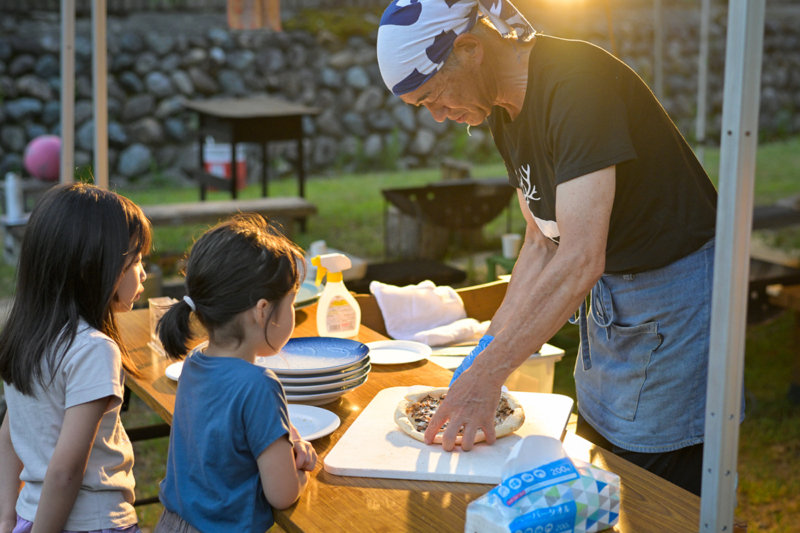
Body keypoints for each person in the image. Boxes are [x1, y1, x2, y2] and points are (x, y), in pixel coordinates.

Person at [376, 0, 732, 496]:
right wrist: (480, 359)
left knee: (654, 483)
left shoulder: (575, 85)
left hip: (675, 300)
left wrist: (489, 375)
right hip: (612, 302)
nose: (438, 116)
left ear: (470, 48)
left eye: (433, 96)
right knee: (602, 454)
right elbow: (541, 242)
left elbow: (581, 255)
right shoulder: (503, 110)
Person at [0, 183, 152, 533]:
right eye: (136, 260)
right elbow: (66, 471)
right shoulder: (94, 350)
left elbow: (9, 436)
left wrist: (8, 516)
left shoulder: (27, 337)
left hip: (32, 516)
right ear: (92, 269)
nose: (143, 273)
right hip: (94, 523)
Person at [153, 214, 317, 533]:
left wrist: (286, 438)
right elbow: (282, 495)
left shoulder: (195, 361)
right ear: (263, 310)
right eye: (292, 302)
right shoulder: (259, 385)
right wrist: (302, 471)